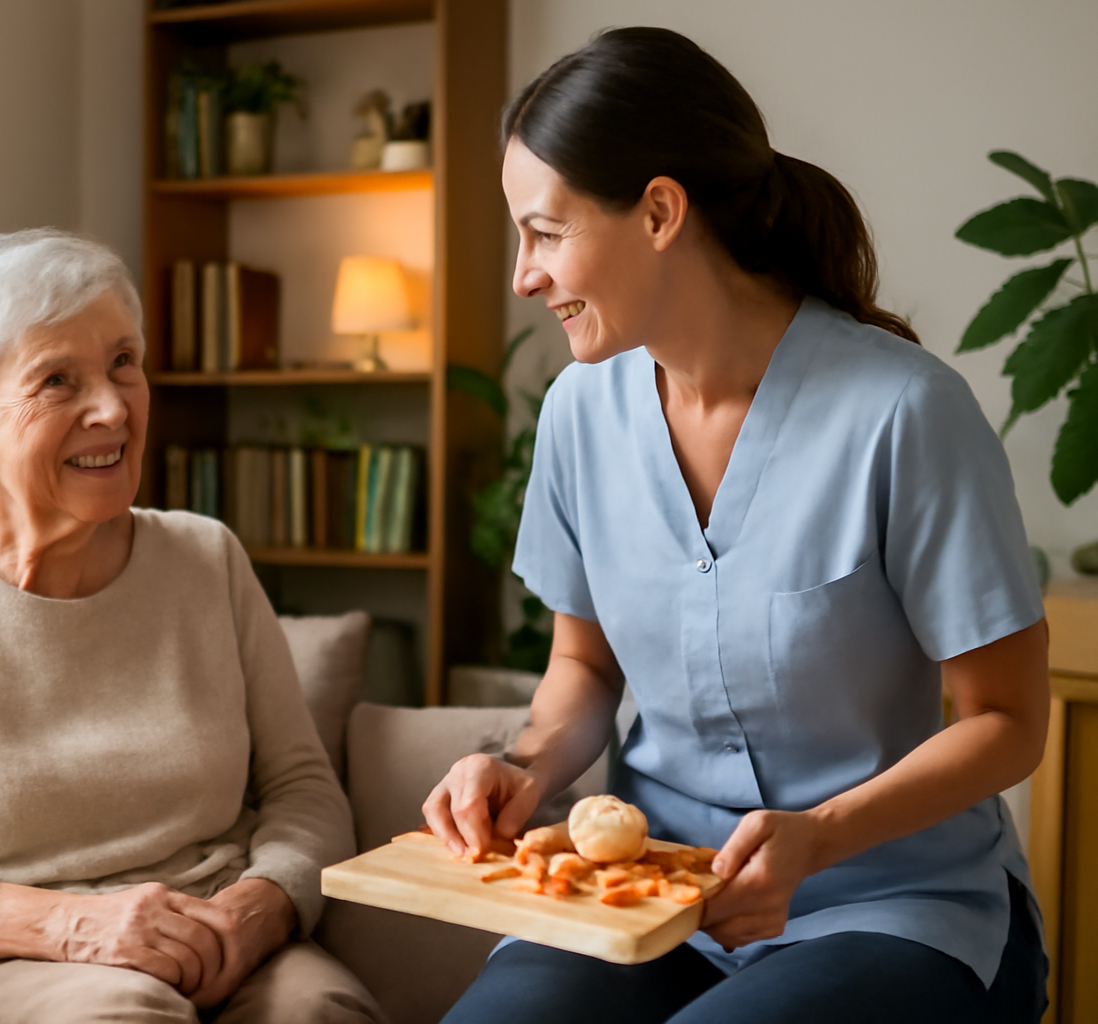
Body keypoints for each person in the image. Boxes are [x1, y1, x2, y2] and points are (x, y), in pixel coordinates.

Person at [422, 27, 1049, 1024]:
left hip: (888, 904)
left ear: (661, 211)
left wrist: (822, 835)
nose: (522, 276)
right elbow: (585, 670)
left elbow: (1008, 721)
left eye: (544, 232)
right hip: (655, 898)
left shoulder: (904, 413)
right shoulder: (582, 415)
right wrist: (523, 765)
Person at [0, 229, 384, 1024]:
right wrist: (75, 926)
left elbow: (303, 790)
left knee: (326, 1014)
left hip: (215, 934)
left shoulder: (207, 558)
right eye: (57, 380)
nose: (112, 408)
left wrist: (259, 908)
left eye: (123, 363)